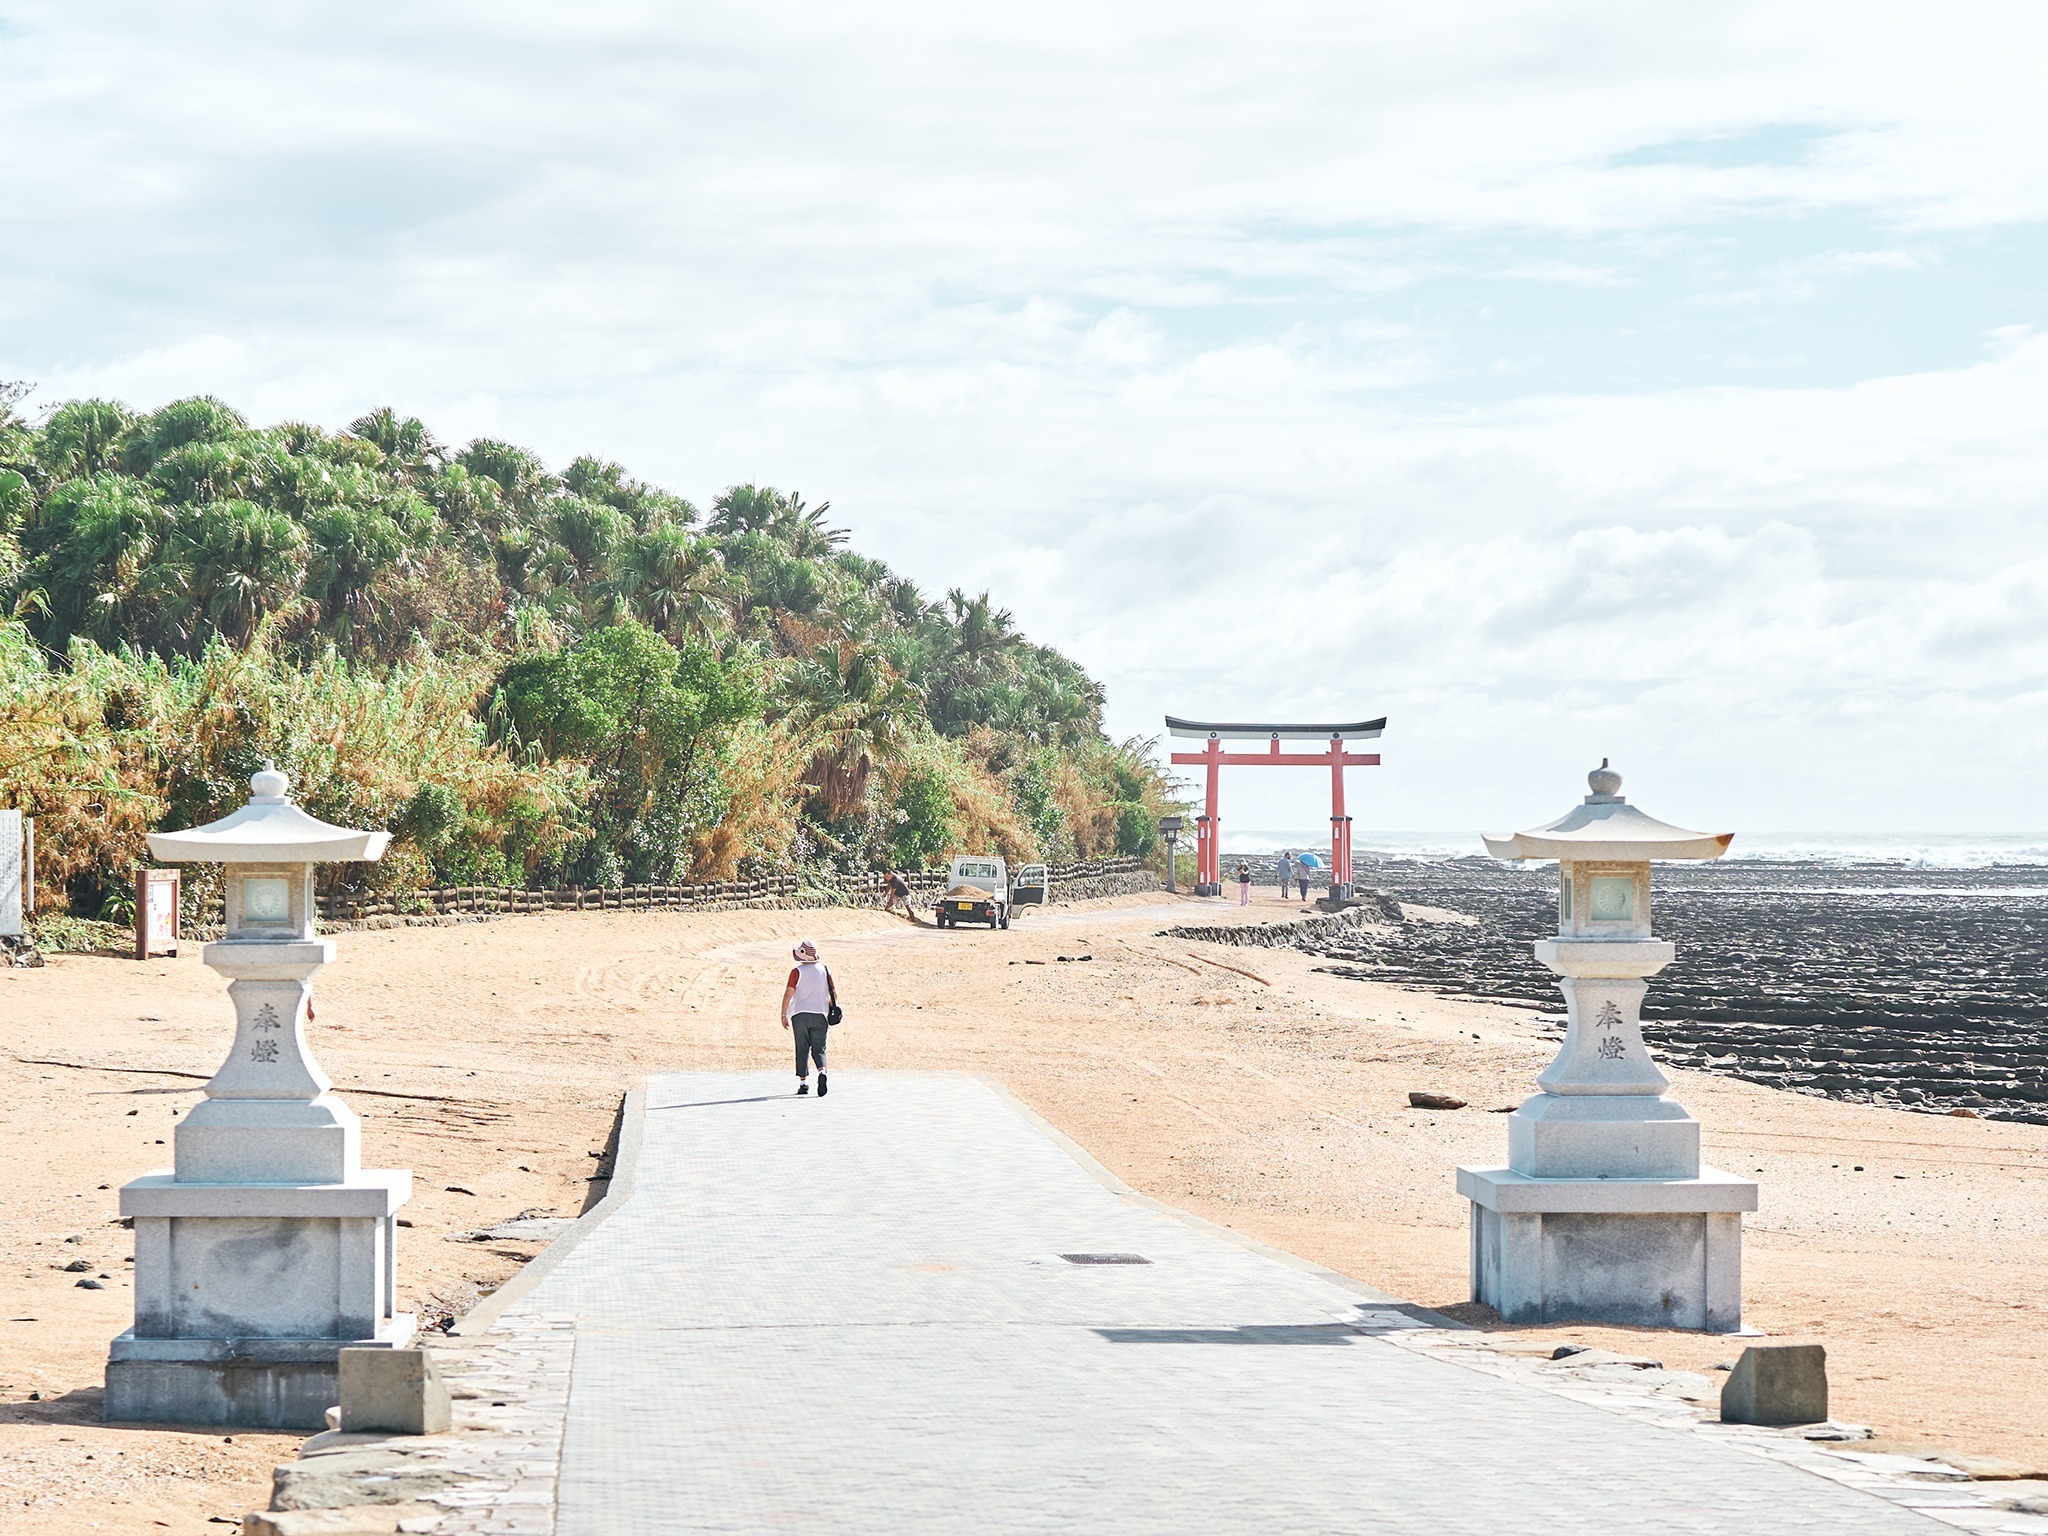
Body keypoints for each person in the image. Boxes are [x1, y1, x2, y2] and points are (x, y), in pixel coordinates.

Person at [780, 939, 837, 1097]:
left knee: (802, 1048)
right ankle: (822, 1072)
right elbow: (833, 994)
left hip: (800, 1015)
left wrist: (783, 1014)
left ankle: (803, 1083)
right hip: (820, 1015)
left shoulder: (796, 972)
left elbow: (788, 993)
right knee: (820, 1049)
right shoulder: (825, 970)